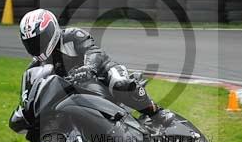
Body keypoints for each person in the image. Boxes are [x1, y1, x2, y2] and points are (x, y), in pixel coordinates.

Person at [16, 8, 173, 126]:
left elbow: (94, 51)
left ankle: (156, 113)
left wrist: (88, 68)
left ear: (51, 31)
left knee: (119, 84)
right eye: (32, 43)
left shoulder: (72, 36)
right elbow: (30, 92)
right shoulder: (36, 66)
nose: (37, 46)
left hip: (102, 72)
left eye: (40, 40)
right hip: (74, 94)